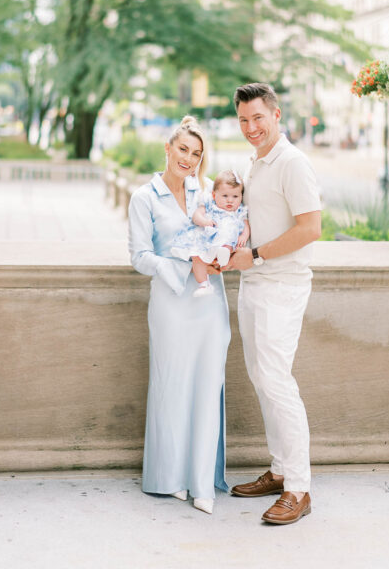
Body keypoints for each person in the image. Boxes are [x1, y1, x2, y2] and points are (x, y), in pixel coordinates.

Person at [222, 82, 322, 526]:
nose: (251, 127)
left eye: (258, 117)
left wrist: (257, 255)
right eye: (244, 119)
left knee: (278, 382)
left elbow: (311, 228)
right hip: (254, 282)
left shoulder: (293, 162)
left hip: (282, 285)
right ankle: (280, 469)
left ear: (276, 116)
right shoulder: (256, 162)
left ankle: (298, 488)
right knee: (262, 380)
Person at [127, 116, 231, 515]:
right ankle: (170, 477)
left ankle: (202, 481)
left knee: (208, 384)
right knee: (172, 385)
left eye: (197, 154)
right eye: (183, 150)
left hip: (209, 303)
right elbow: (139, 256)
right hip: (170, 301)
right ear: (168, 149)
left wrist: (226, 249)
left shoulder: (206, 193)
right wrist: (178, 266)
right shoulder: (144, 197)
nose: (189, 158)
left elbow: (226, 228)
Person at [169, 170, 250, 297]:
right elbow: (196, 215)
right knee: (197, 256)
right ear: (214, 195)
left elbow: (245, 225)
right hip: (206, 241)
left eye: (235, 196)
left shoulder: (239, 210)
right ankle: (204, 284)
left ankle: (224, 254)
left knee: (229, 237)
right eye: (225, 196)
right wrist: (205, 222)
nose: (230, 200)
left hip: (225, 241)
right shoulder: (209, 204)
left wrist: (244, 236)